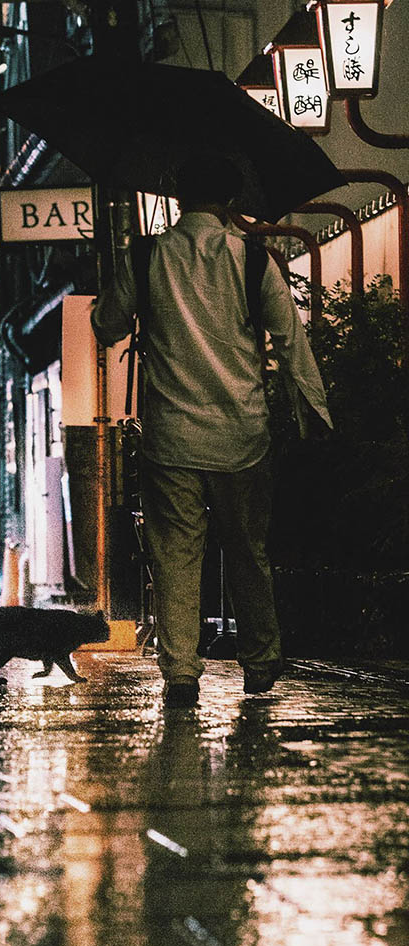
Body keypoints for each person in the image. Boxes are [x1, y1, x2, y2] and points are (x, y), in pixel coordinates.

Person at [91, 155, 332, 708]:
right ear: (231, 200)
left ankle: (180, 671)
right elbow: (291, 340)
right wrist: (314, 412)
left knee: (175, 554)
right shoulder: (254, 259)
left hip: (171, 437)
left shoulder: (147, 255)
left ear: (176, 194)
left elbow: (106, 324)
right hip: (243, 434)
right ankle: (262, 660)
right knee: (248, 550)